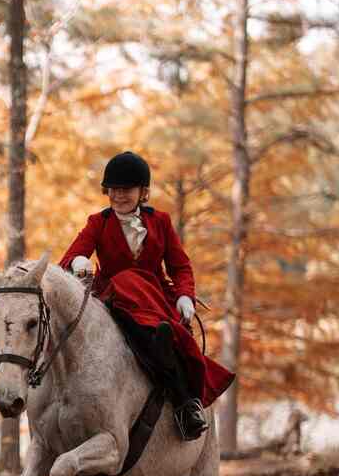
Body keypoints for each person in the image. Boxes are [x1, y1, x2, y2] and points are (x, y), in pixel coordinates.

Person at [59, 150, 234, 441]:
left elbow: (180, 266)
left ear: (143, 192)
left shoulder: (161, 221)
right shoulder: (97, 222)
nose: (118, 196)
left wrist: (185, 296)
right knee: (126, 282)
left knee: (177, 337)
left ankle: (185, 405)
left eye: (126, 190)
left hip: (155, 296)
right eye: (113, 189)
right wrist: (78, 261)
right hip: (116, 296)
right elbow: (69, 257)